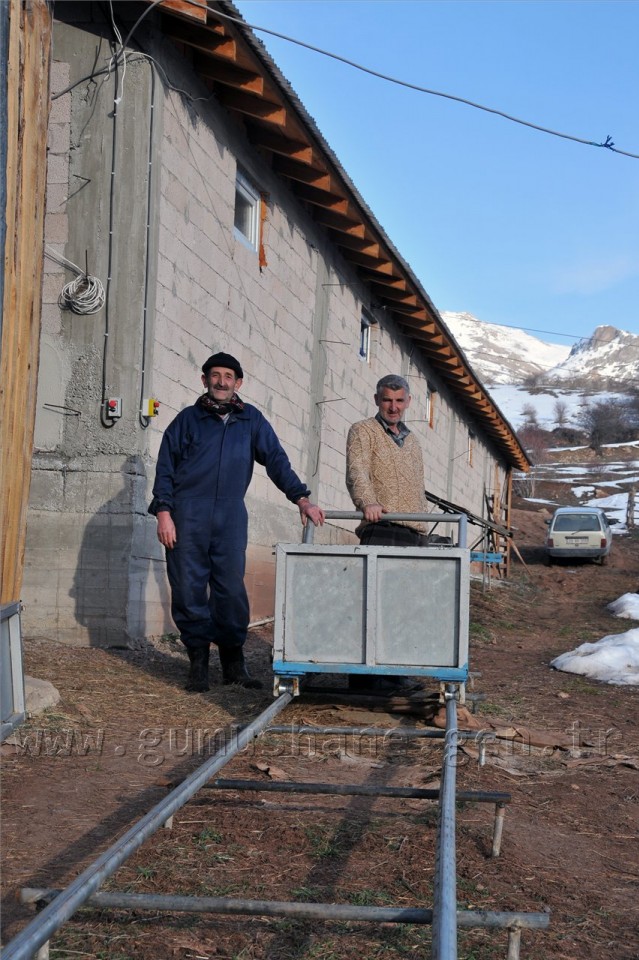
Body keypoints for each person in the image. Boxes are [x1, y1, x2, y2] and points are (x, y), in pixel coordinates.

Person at [149, 352, 324, 692]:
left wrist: (300, 497)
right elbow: (165, 469)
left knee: (230, 590)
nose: (221, 381)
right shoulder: (187, 420)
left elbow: (276, 460)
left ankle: (233, 664)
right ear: (204, 380)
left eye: (228, 376)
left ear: (238, 383)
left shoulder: (251, 421)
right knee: (187, 588)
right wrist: (164, 513)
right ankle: (198, 663)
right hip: (187, 515)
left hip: (230, 517)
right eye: (215, 375)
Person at [345, 373, 431, 693]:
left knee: (403, 608)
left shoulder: (413, 441)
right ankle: (367, 680)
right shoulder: (363, 431)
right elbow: (357, 471)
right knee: (374, 604)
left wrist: (423, 523)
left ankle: (394, 673)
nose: (393, 407)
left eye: (398, 400)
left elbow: (417, 486)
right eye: (386, 400)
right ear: (377, 399)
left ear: (407, 402)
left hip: (413, 530)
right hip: (382, 528)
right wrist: (367, 501)